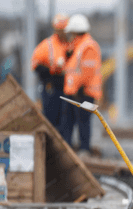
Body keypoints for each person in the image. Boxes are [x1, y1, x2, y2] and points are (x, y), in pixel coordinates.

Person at [59, 14, 101, 154]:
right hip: (74, 92)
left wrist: (79, 88)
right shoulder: (78, 46)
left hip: (84, 92)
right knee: (68, 122)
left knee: (83, 122)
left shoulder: (88, 46)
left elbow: (87, 72)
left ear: (75, 32)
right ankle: (68, 149)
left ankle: (84, 150)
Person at [31, 13, 70, 129]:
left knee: (65, 121)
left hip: (66, 88)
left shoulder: (68, 45)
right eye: (62, 30)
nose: (64, 33)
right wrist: (51, 74)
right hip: (51, 88)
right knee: (51, 119)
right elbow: (35, 65)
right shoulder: (47, 45)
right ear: (56, 30)